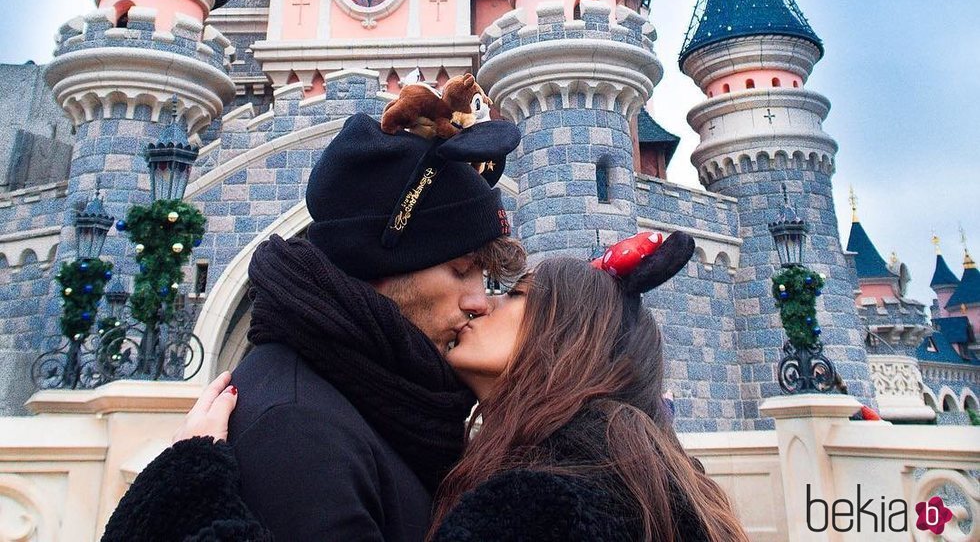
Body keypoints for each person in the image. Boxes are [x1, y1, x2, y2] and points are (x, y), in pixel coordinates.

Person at [103, 230, 752, 542]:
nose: (479, 305)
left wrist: (185, 486)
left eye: (510, 292)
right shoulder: (632, 473)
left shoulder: (547, 503)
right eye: (468, 275)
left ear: (564, 333)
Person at [102, 105, 524, 542]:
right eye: (460, 270)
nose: (480, 302)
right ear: (379, 264)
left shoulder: (385, 400)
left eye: (485, 278)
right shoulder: (298, 430)